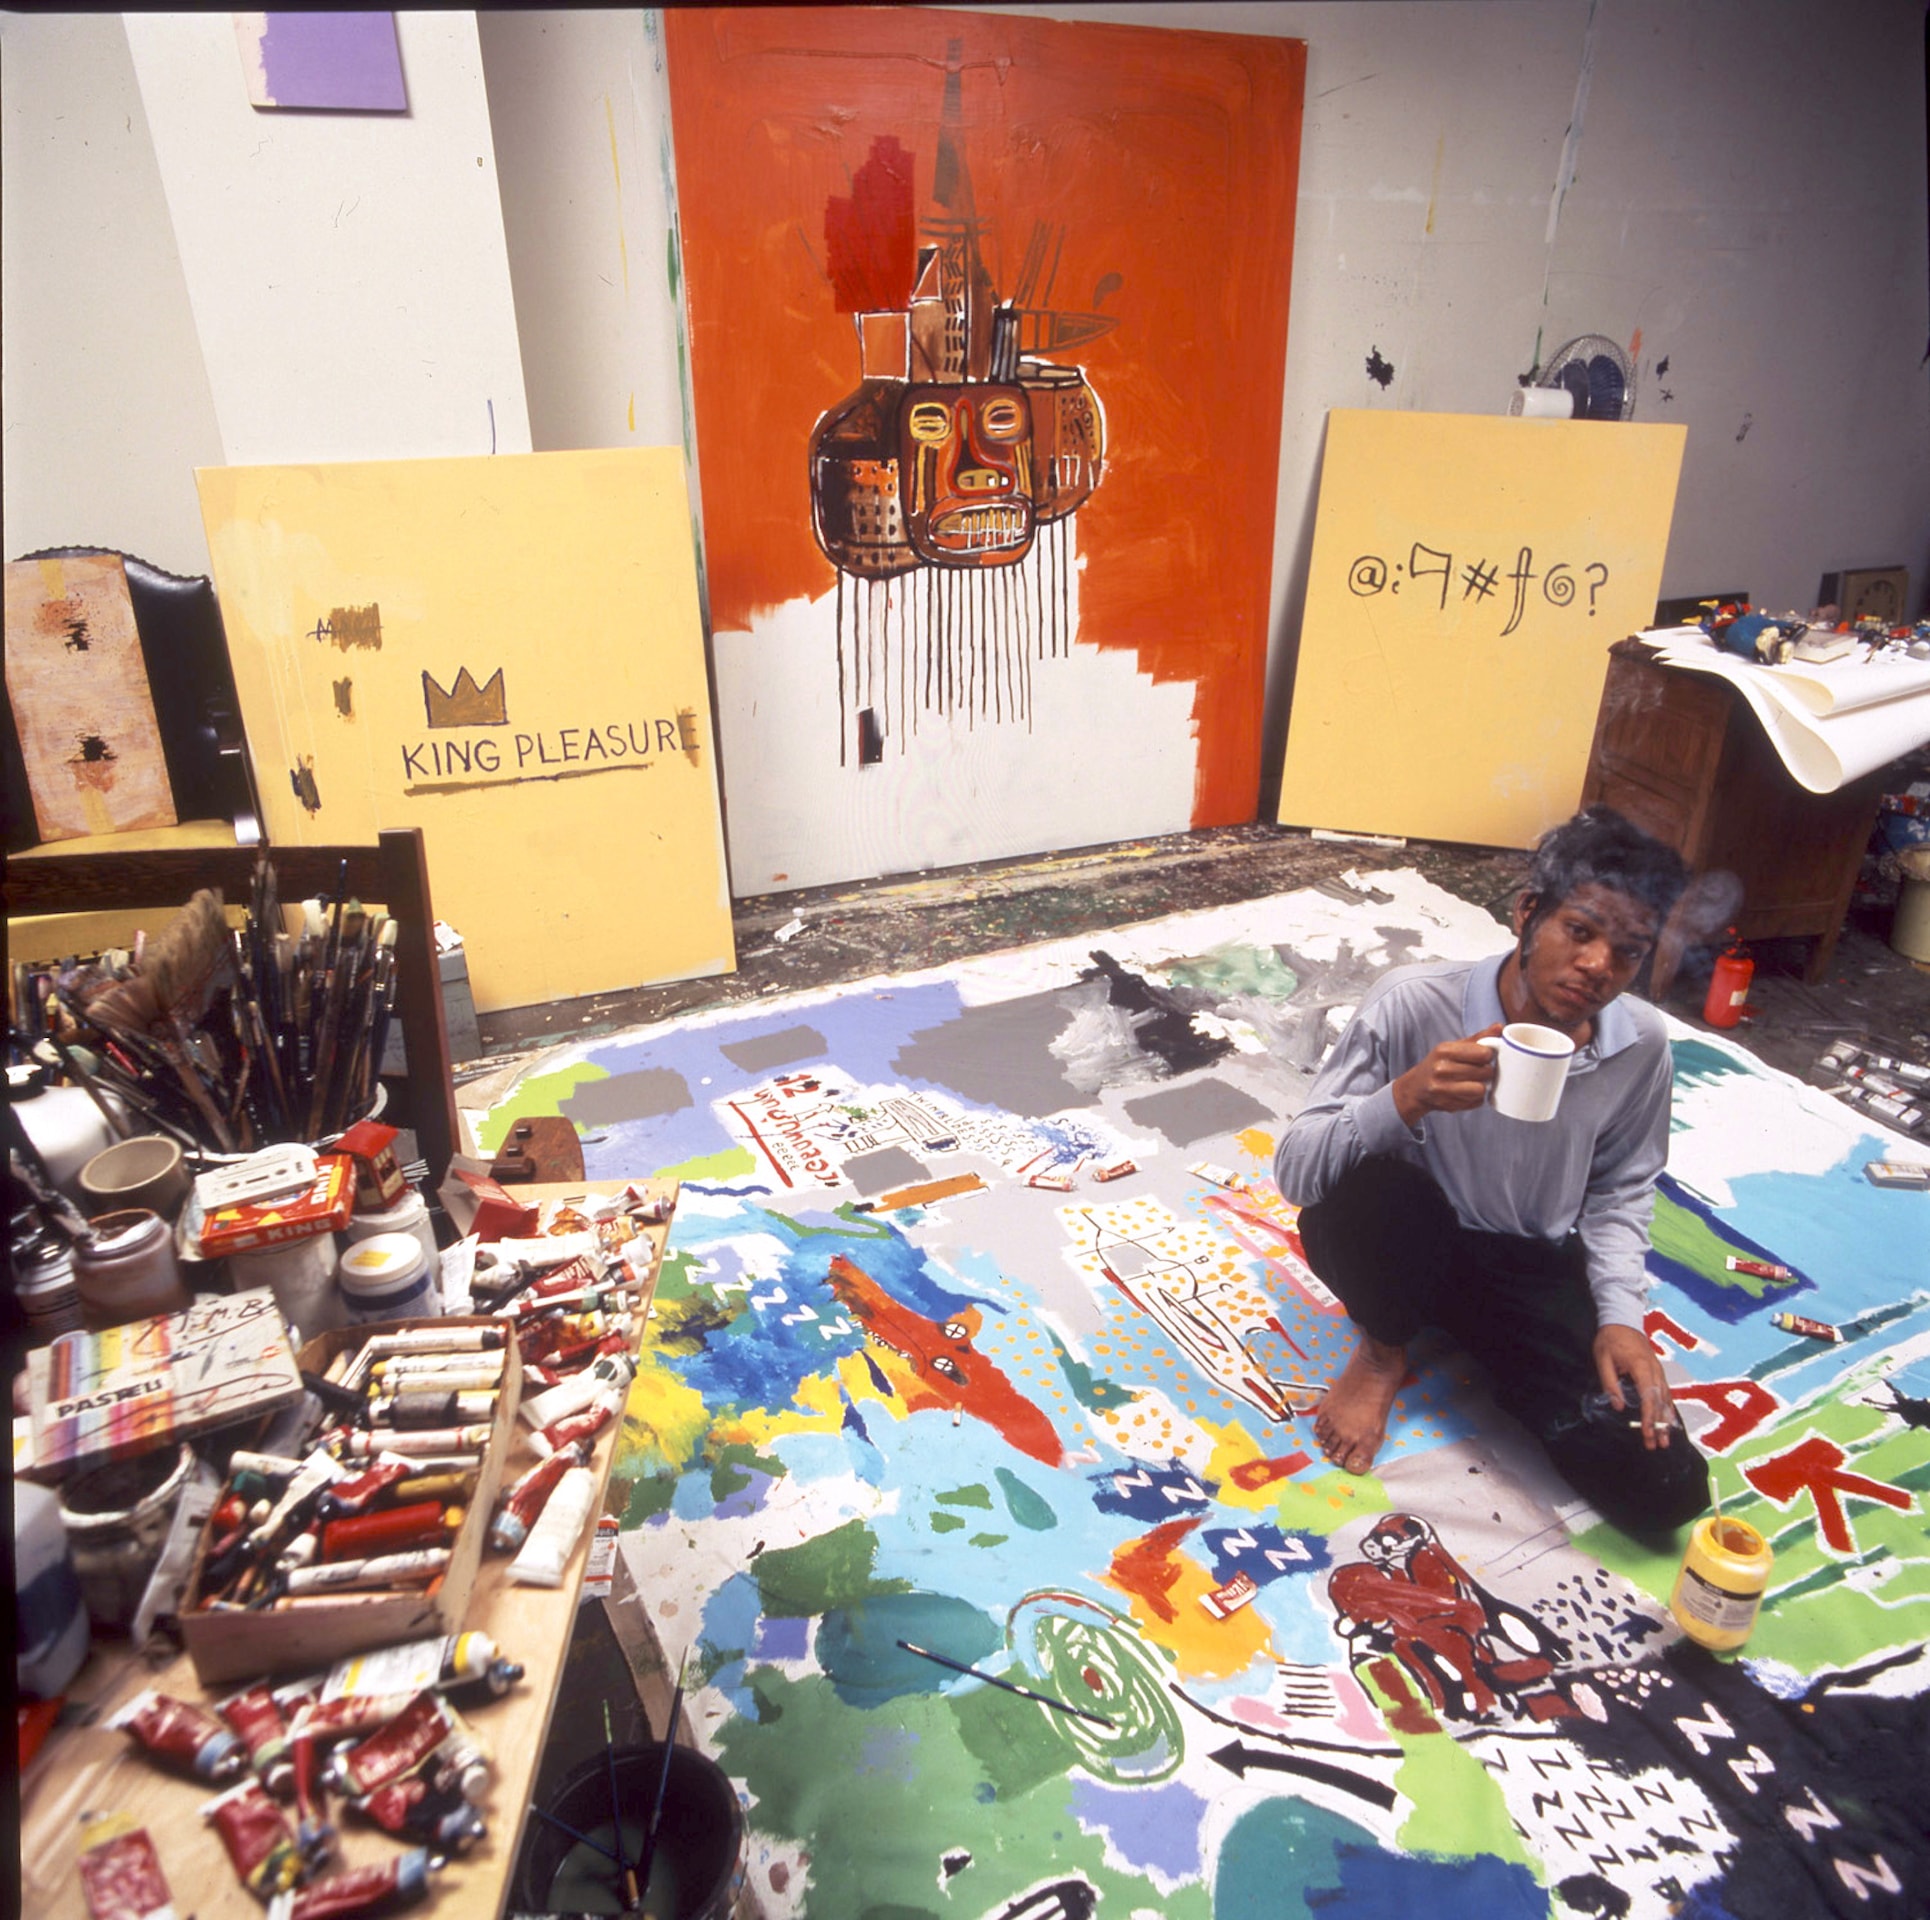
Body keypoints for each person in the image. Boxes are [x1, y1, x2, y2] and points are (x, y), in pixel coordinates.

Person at [1273, 805, 1710, 1536]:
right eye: (1579, 931)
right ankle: (1384, 1352)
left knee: (1666, 1490)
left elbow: (1622, 1186)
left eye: (1628, 951)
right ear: (1527, 915)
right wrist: (1404, 1098)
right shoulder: (1416, 1002)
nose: (1599, 965)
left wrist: (1622, 1320)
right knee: (1367, 1190)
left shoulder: (1640, 1044)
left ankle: (1505, 1358)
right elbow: (1298, 1175)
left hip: (1529, 1266)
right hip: (1406, 1242)